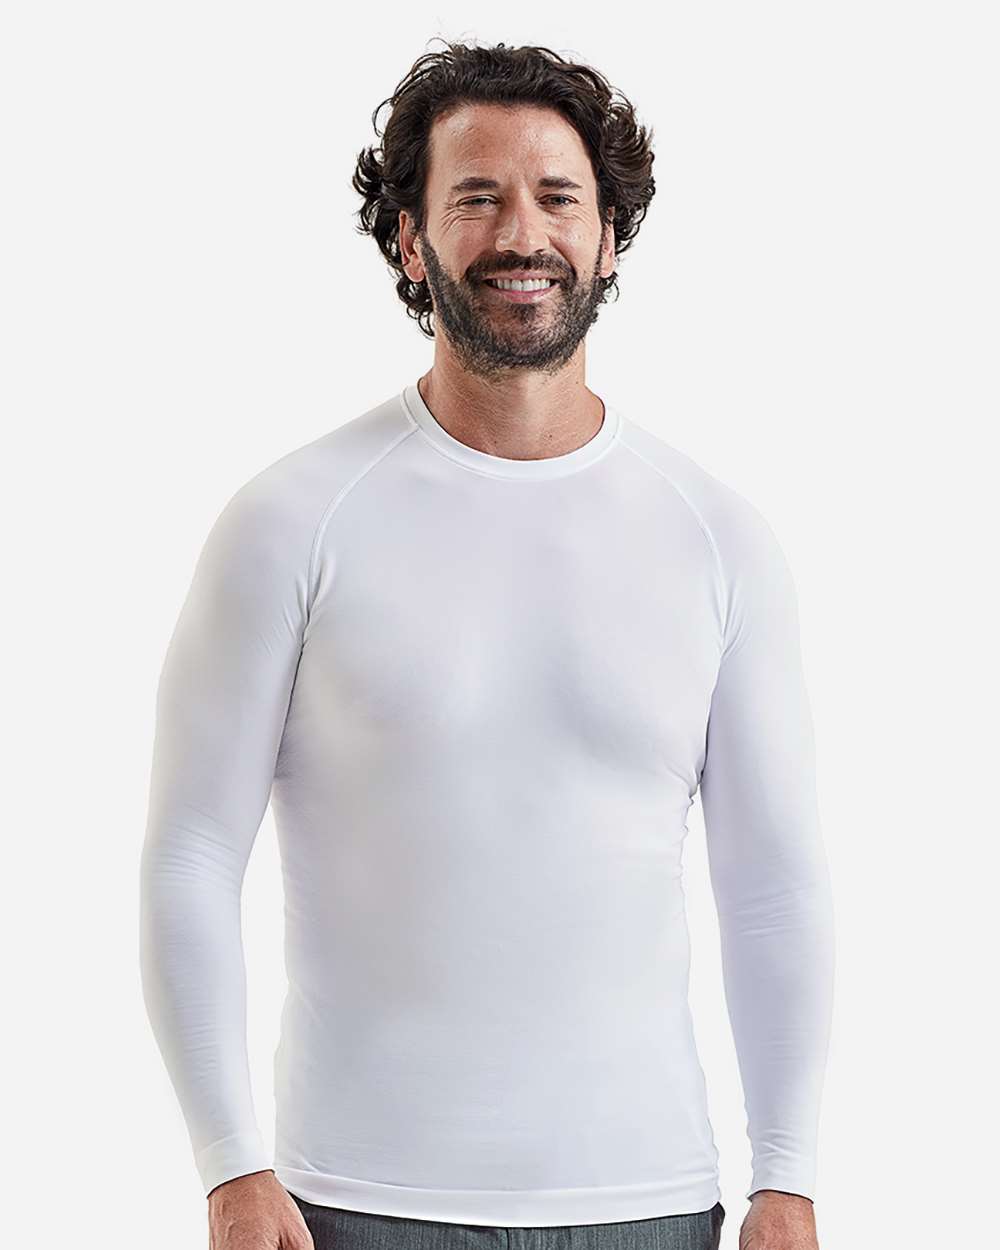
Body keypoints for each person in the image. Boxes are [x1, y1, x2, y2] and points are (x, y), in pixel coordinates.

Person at [140, 39, 835, 1250]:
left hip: (649, 1203)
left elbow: (771, 884)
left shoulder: (717, 537)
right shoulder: (292, 518)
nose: (523, 233)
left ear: (608, 236)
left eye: (558, 197)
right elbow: (193, 852)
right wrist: (228, 1163)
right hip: (350, 1202)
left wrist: (788, 1173)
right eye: (477, 197)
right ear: (411, 240)